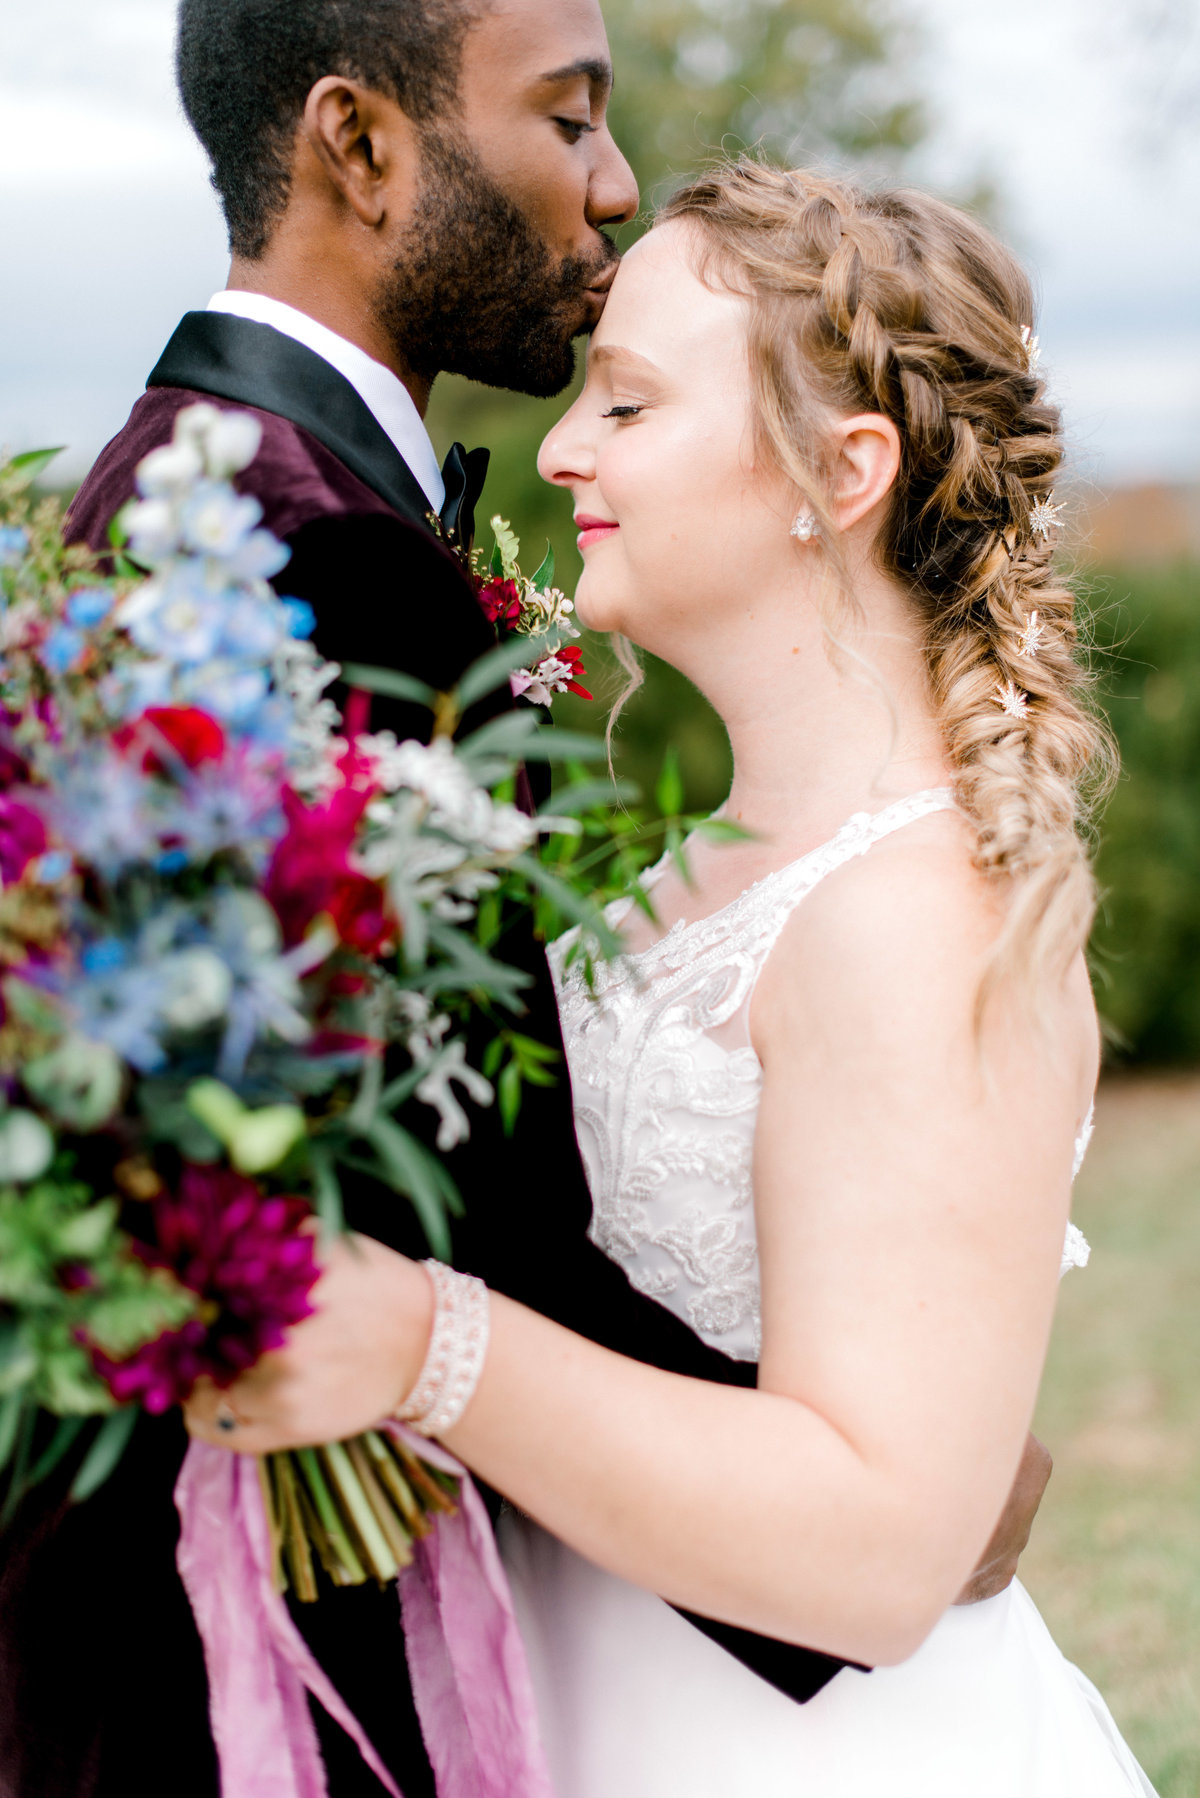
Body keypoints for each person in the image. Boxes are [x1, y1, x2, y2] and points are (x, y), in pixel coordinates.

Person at [0, 0, 1047, 1789]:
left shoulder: (222, 499)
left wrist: (883, 1466)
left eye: (638, 407)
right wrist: (885, 1507)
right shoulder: (302, 557)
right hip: (252, 1673)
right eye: (569, 121)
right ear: (363, 141)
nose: (615, 183)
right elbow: (483, 1218)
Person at [186, 159, 1160, 1796]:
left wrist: (427, 1341)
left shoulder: (913, 911)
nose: (561, 447)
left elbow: (873, 1552)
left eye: (628, 405)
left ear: (838, 472)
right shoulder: (666, 876)